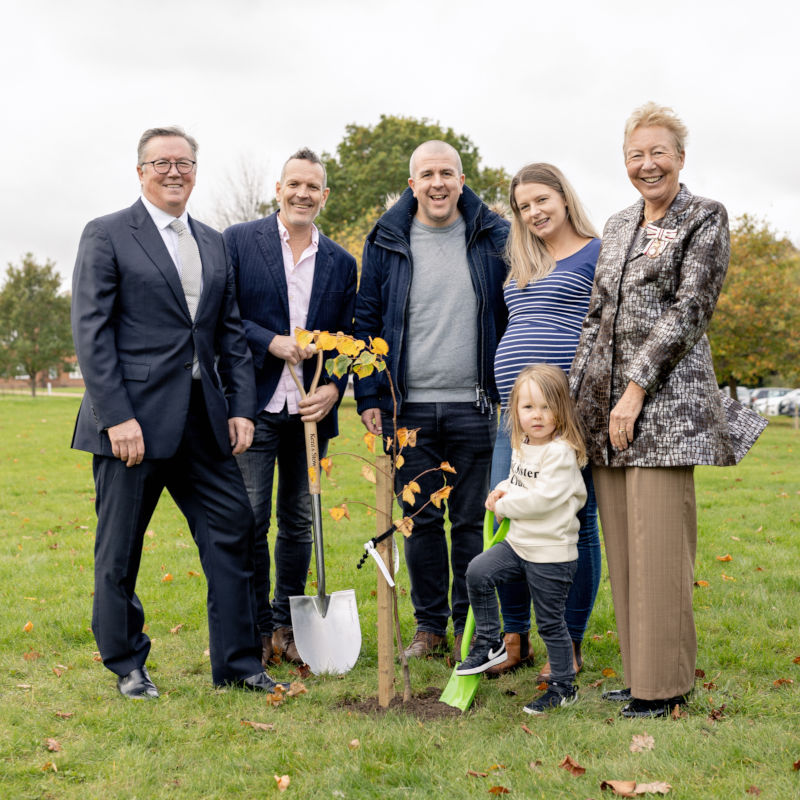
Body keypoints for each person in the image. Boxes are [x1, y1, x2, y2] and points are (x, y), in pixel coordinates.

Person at [71, 126, 286, 698]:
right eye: (161, 162)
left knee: (235, 530)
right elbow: (91, 334)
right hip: (131, 424)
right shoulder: (108, 234)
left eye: (184, 163)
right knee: (120, 549)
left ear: (196, 170)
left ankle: (239, 665)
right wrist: (117, 417)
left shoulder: (212, 242)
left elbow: (229, 334)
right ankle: (127, 664)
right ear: (140, 170)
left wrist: (242, 407)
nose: (174, 172)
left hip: (202, 418)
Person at [570, 103, 767, 718]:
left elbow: (688, 311)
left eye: (658, 152)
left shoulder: (704, 216)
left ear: (680, 157)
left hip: (665, 410)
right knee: (625, 548)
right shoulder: (620, 221)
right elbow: (598, 317)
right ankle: (638, 676)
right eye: (635, 154)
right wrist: (579, 404)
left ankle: (665, 685)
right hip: (607, 413)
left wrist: (634, 389)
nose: (646, 164)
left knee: (658, 547)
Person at [354, 140, 509, 660]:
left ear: (462, 181)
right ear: (412, 184)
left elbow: (511, 314)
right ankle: (430, 627)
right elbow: (366, 320)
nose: (438, 182)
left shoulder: (493, 236)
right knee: (419, 520)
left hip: (475, 405)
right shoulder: (386, 240)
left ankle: (472, 624)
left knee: (470, 522)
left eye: (447, 172)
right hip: (409, 407)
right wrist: (370, 394)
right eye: (427, 174)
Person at [224, 148, 357, 666]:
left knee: (299, 521)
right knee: (252, 518)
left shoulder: (341, 263)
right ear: (278, 190)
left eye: (313, 187)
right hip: (254, 405)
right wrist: (270, 341)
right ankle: (256, 626)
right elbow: (224, 314)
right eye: (293, 184)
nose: (303, 194)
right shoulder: (240, 242)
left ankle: (286, 623)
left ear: (324, 196)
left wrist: (335, 391)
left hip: (310, 412)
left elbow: (351, 339)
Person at [487, 163, 602, 679]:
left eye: (541, 200)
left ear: (563, 196)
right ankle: (515, 639)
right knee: (506, 515)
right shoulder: (521, 259)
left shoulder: (598, 252)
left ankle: (568, 642)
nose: (533, 212)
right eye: (523, 206)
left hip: (567, 417)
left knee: (573, 526)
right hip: (513, 417)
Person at [457, 364, 587, 715]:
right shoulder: (523, 445)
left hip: (550, 552)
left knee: (550, 622)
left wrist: (507, 506)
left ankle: (562, 685)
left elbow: (542, 499)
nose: (538, 416)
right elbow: (517, 483)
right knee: (479, 572)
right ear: (515, 410)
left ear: (562, 409)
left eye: (547, 407)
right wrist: (500, 491)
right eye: (529, 407)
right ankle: (488, 641)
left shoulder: (560, 453)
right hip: (518, 545)